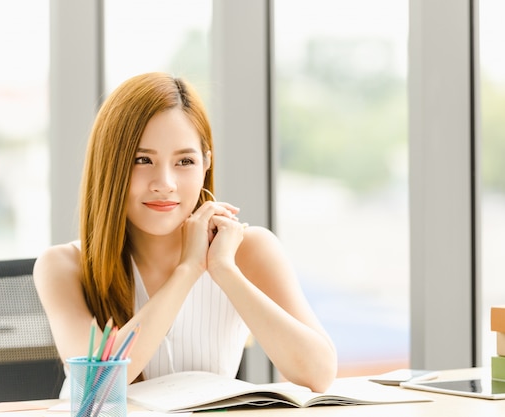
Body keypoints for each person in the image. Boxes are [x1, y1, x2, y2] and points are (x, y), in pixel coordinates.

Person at [33, 72, 337, 395]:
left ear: (206, 164)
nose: (165, 183)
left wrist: (224, 270)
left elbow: (318, 373)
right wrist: (188, 271)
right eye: (142, 159)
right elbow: (97, 386)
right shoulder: (63, 266)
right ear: (110, 165)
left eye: (184, 161)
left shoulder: (247, 249)